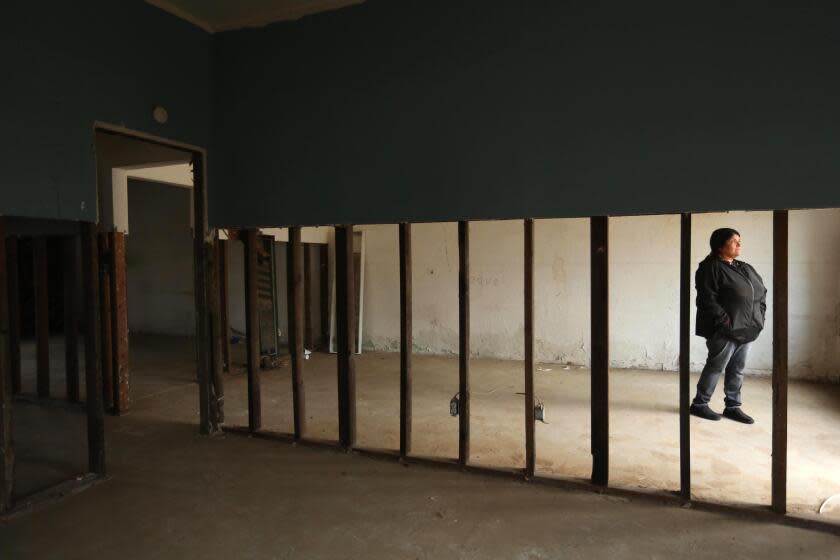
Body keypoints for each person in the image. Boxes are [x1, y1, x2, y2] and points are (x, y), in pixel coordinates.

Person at [690, 228, 767, 424]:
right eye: (734, 241)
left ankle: (733, 406)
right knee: (716, 366)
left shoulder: (744, 267)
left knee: (737, 369)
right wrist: (726, 323)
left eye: (739, 241)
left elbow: (761, 292)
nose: (739, 245)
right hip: (724, 331)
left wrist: (760, 317)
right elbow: (707, 300)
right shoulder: (710, 268)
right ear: (720, 245)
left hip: (748, 329)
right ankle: (700, 404)